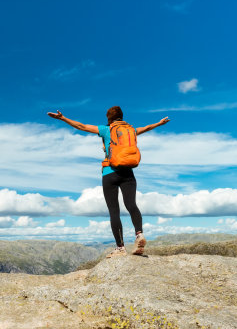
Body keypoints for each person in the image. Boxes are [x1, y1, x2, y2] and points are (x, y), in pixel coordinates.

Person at [47, 106, 169, 258]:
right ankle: (139, 234)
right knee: (131, 205)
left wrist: (63, 118)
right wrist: (159, 123)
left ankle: (120, 247)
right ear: (122, 116)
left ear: (109, 118)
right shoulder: (131, 130)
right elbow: (147, 128)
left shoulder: (107, 129)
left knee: (114, 211)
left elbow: (82, 126)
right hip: (128, 173)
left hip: (110, 173)